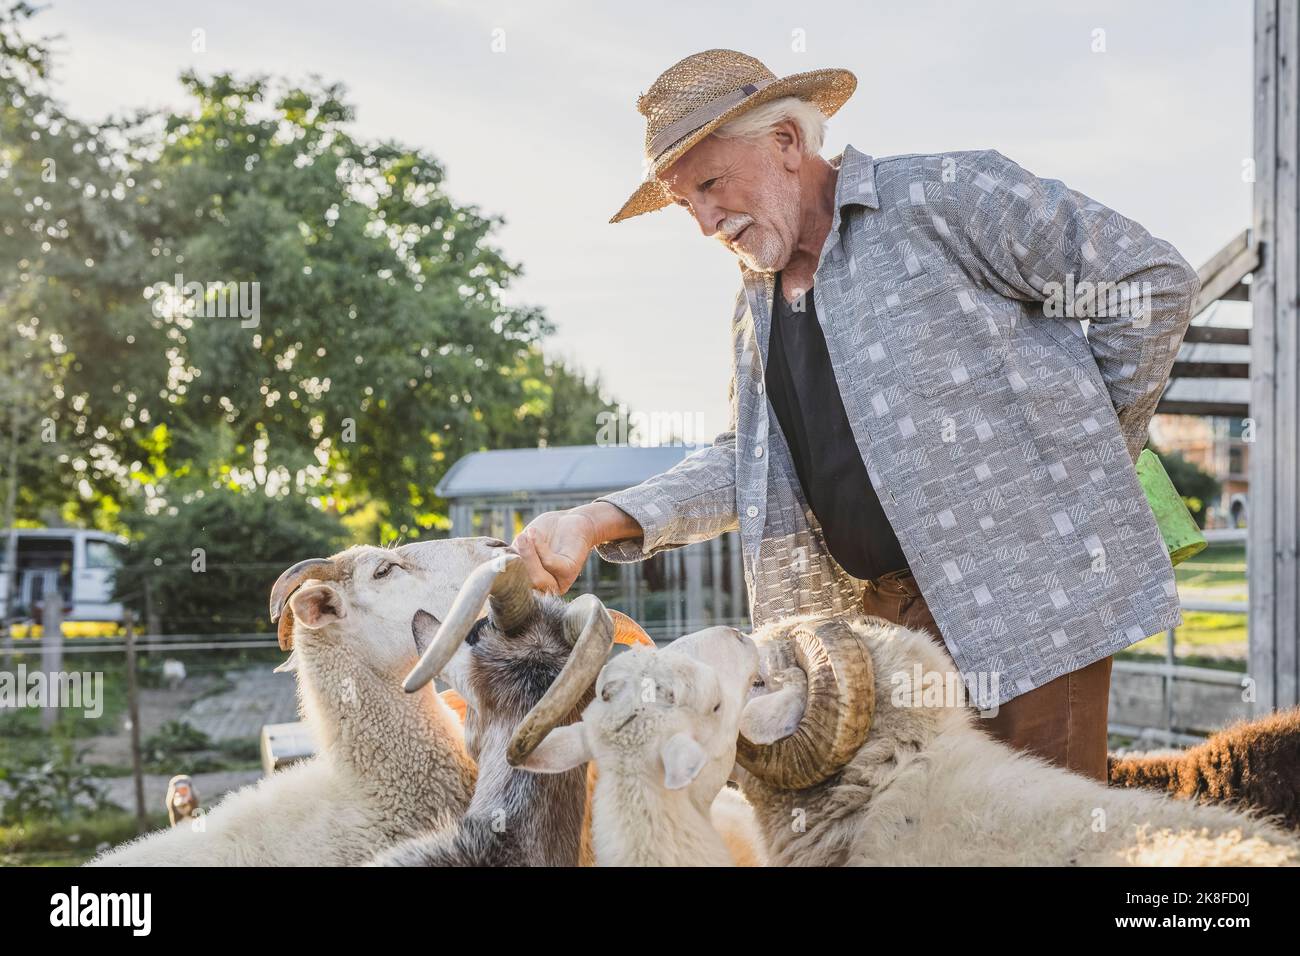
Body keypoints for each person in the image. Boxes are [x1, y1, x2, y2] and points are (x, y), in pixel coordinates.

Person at [514, 49, 1200, 782]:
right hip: (877, 627)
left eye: (711, 184)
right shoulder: (755, 313)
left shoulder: (942, 196)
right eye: (688, 205)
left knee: (1048, 845)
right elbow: (743, 465)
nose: (706, 222)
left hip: (1028, 600)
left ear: (786, 142)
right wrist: (594, 520)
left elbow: (1147, 282)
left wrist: (1093, 453)